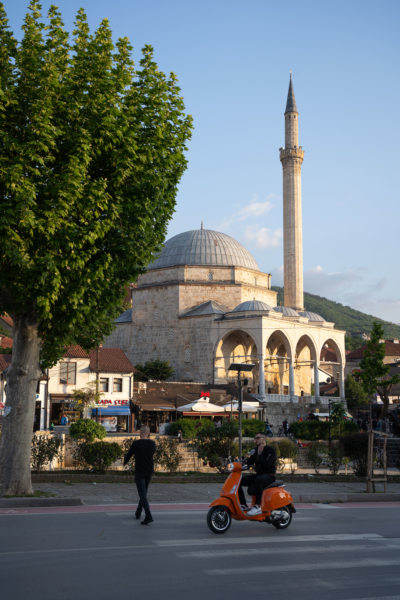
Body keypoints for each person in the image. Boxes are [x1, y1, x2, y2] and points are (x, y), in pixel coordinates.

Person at [123, 425, 156, 525]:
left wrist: (125, 462)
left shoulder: (136, 444)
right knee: (144, 492)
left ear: (140, 433)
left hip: (140, 471)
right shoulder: (152, 443)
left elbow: (129, 454)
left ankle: (148, 515)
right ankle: (138, 512)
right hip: (149, 470)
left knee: (142, 494)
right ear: (148, 433)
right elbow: (152, 453)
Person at [238, 432, 277, 516]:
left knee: (259, 480)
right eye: (255, 438)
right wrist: (239, 465)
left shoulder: (271, 451)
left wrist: (260, 454)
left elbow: (267, 465)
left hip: (269, 476)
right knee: (238, 481)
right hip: (259, 475)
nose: (255, 440)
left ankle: (257, 506)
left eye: (258, 438)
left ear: (264, 438)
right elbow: (249, 463)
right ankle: (243, 504)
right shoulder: (255, 450)